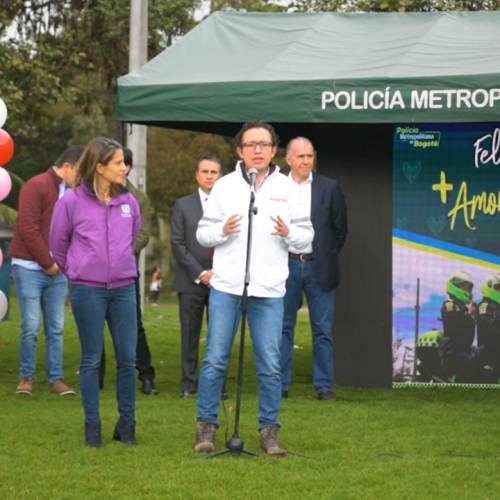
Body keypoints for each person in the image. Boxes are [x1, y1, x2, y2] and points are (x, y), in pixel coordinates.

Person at [194, 121, 314, 456]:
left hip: (269, 290)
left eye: (263, 143)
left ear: (274, 149)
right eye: (250, 144)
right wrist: (222, 229)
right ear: (239, 151)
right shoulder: (225, 186)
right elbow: (203, 234)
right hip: (227, 287)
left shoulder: (290, 189)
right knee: (216, 359)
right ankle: (206, 425)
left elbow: (307, 237)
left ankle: (268, 430)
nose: (257, 150)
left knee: (270, 364)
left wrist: (289, 232)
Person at [50, 137, 141, 448]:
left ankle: (126, 425)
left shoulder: (129, 202)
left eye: (124, 162)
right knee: (91, 359)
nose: (124, 167)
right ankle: (93, 427)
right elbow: (58, 246)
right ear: (100, 167)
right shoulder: (70, 202)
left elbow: (131, 237)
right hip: (87, 291)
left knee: (128, 359)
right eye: (118, 163)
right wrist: (78, 272)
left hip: (124, 289)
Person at [9, 145, 84, 396]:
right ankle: (26, 378)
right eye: (80, 172)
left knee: (56, 328)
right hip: (29, 267)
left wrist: (63, 264)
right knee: (30, 325)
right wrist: (48, 262)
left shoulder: (74, 194)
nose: (82, 179)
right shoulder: (36, 185)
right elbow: (28, 228)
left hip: (58, 270)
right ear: (66, 167)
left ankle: (56, 379)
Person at [280, 137, 348, 401]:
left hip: (319, 267)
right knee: (283, 328)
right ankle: (281, 385)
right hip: (284, 266)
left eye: (310, 156)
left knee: (322, 329)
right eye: (301, 156)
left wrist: (322, 254)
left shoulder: (329, 187)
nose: (306, 161)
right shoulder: (276, 187)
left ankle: (324, 387)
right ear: (288, 159)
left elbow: (339, 230)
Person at [98, 147, 159, 395]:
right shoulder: (92, 192)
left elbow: (143, 234)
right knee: (95, 324)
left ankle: (146, 376)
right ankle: (97, 378)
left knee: (134, 324)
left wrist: (119, 253)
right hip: (95, 272)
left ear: (127, 167)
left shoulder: (139, 198)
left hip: (125, 271)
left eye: (121, 162)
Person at [171, 154, 223, 398]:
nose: (210, 176)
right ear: (196, 175)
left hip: (222, 281)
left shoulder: (229, 204)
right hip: (190, 281)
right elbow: (177, 243)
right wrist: (201, 273)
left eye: (214, 172)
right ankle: (188, 385)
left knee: (219, 338)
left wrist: (216, 273)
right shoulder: (183, 204)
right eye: (205, 171)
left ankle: (216, 388)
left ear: (220, 175)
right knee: (189, 337)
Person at [440, 271, 478, 382]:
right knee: (472, 365)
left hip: (465, 350)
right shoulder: (449, 304)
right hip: (452, 352)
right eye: (463, 286)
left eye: (467, 287)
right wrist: (469, 315)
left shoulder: (465, 309)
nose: (466, 289)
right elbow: (454, 324)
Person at [476, 273, 500, 384]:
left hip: (496, 352)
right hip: (488, 353)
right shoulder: (484, 305)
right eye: (498, 288)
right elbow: (488, 323)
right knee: (488, 386)